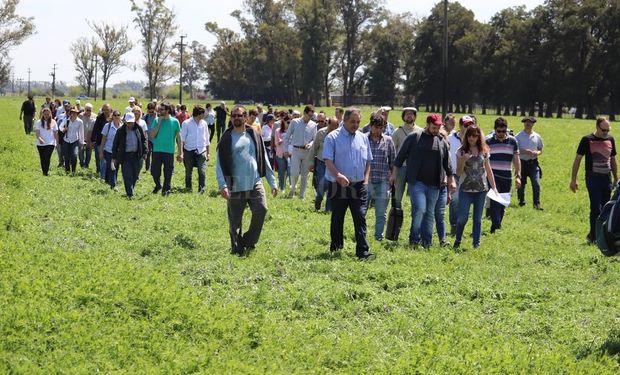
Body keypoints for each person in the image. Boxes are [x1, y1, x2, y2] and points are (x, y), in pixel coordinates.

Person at [216, 105, 278, 256]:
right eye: (234, 115)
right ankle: (237, 247)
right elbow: (219, 164)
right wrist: (223, 185)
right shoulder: (226, 138)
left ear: (246, 117)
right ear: (231, 118)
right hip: (235, 185)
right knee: (235, 222)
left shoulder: (254, 134)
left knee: (261, 209)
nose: (236, 118)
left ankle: (249, 241)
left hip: (255, 182)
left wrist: (272, 181)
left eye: (240, 115)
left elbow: (264, 157)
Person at [391, 113, 455, 249]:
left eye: (438, 127)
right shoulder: (414, 137)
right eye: (434, 127)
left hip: (434, 184)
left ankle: (427, 242)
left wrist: (451, 181)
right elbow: (400, 157)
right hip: (417, 182)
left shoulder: (441, 141)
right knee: (420, 208)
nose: (436, 130)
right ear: (427, 124)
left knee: (430, 213)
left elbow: (447, 164)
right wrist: (394, 174)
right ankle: (414, 239)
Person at [323, 107, 375, 260]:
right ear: (344, 120)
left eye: (358, 122)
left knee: (360, 217)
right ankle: (336, 247)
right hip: (338, 185)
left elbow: (368, 161)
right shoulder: (332, 137)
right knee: (338, 217)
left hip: (358, 185)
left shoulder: (363, 137)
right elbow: (327, 160)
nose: (355, 124)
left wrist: (365, 179)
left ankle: (363, 252)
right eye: (352, 121)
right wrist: (338, 175)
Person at [570, 117, 618, 244]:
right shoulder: (587, 140)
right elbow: (577, 160)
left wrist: (616, 178)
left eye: (608, 130)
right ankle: (594, 237)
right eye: (603, 130)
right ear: (597, 127)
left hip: (606, 178)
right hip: (593, 178)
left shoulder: (610, 140)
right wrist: (573, 180)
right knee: (596, 207)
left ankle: (603, 235)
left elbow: (613, 160)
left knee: (606, 208)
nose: (605, 133)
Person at [454, 126, 499, 249]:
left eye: (474, 135)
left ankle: (476, 244)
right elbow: (458, 173)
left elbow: (488, 171)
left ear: (479, 137)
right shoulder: (461, 151)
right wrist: (463, 160)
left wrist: (494, 187)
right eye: (469, 135)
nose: (471, 138)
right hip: (465, 190)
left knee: (477, 219)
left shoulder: (484, 151)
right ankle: (457, 240)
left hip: (481, 190)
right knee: (462, 218)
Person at [486, 117, 521, 233]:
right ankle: (496, 225)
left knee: (502, 203)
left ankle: (497, 223)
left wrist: (518, 175)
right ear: (494, 130)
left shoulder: (513, 141)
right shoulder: (488, 141)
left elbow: (516, 159)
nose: (501, 134)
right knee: (495, 201)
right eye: (499, 131)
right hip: (492, 176)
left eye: (503, 131)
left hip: (506, 176)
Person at [366, 113, 396, 241]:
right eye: (377, 127)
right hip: (365, 182)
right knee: (361, 211)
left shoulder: (388, 140)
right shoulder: (362, 139)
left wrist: (393, 176)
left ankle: (378, 236)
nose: (379, 130)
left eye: (382, 127)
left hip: (383, 181)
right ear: (371, 125)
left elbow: (394, 161)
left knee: (381, 212)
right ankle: (361, 234)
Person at [391, 107, 422, 209]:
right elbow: (392, 150)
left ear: (415, 116)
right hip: (401, 168)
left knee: (415, 195)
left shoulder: (421, 131)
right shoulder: (397, 132)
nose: (409, 116)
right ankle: (396, 217)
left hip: (416, 169)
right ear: (403, 116)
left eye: (411, 114)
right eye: (407, 114)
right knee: (398, 196)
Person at [447, 115, 473, 234]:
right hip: (454, 174)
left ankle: (461, 224)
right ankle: (454, 225)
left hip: (469, 175)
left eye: (470, 125)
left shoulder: (474, 139)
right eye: (466, 125)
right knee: (455, 200)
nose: (468, 127)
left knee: (466, 202)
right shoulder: (450, 138)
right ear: (460, 126)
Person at [284, 105, 317, 199]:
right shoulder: (295, 122)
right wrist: (286, 150)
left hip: (307, 152)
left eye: (312, 116)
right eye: (309, 115)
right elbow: (287, 137)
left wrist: (310, 144)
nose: (310, 117)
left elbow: (314, 139)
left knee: (304, 175)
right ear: (304, 113)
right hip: (296, 150)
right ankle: (292, 190)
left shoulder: (313, 125)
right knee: (294, 172)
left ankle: (302, 195)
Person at [150, 102, 183, 196]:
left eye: (162, 109)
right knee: (154, 172)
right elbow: (152, 135)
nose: (159, 111)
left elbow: (179, 138)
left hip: (169, 151)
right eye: (159, 109)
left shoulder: (175, 121)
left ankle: (166, 189)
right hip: (157, 150)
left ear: (168, 110)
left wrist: (180, 153)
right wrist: (159, 123)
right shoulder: (156, 120)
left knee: (168, 172)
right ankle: (158, 185)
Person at [112, 112, 148, 198]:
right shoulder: (121, 131)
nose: (130, 124)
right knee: (127, 175)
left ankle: (131, 188)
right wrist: (114, 157)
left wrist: (145, 152)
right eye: (128, 123)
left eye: (131, 122)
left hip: (137, 155)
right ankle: (129, 193)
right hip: (125, 156)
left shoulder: (138, 128)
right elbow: (115, 144)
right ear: (125, 122)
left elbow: (143, 140)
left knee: (135, 174)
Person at [515, 116, 544, 210]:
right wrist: (524, 151)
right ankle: (521, 202)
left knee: (536, 183)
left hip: (533, 164)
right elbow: (514, 150)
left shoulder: (537, 136)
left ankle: (537, 204)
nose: (528, 124)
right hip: (522, 163)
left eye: (530, 123)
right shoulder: (518, 136)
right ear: (524, 123)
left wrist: (537, 153)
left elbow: (541, 149)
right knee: (521, 184)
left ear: (533, 124)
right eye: (526, 122)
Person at [311, 116, 339, 211]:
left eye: (335, 128)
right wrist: (311, 162)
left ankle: (328, 209)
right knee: (322, 185)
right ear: (328, 124)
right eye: (331, 128)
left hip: (333, 164)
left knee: (331, 185)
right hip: (321, 163)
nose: (333, 130)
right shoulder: (321, 133)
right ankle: (318, 199)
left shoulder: (339, 135)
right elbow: (314, 148)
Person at [180, 105, 210, 193]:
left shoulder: (204, 123)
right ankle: (188, 188)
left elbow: (207, 138)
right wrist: (181, 153)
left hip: (202, 151)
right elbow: (182, 140)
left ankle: (201, 189)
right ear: (198, 114)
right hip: (189, 151)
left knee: (202, 171)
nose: (204, 115)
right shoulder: (186, 123)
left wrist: (208, 153)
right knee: (188, 171)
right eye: (203, 113)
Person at [100, 110, 123, 188]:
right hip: (109, 150)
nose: (117, 117)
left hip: (119, 152)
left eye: (118, 115)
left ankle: (108, 181)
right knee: (112, 167)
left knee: (115, 167)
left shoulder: (122, 127)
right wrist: (101, 151)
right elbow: (103, 140)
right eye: (115, 115)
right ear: (112, 116)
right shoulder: (108, 126)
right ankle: (113, 185)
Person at [59, 106, 84, 174]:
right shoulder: (66, 120)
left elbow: (81, 133)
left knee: (74, 155)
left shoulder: (80, 122)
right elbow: (60, 127)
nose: (73, 114)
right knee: (66, 156)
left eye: (75, 112)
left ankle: (73, 170)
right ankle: (67, 171)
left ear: (77, 113)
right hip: (66, 140)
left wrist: (82, 143)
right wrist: (64, 129)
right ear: (70, 113)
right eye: (72, 112)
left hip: (75, 140)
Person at [34, 108, 58, 176]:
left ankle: (46, 172)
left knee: (47, 157)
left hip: (50, 143)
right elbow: (37, 133)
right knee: (42, 158)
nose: (46, 116)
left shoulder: (53, 122)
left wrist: (57, 142)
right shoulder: (39, 122)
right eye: (45, 114)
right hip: (40, 144)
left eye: (48, 114)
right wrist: (40, 139)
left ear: (50, 114)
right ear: (42, 114)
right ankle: (44, 171)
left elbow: (56, 133)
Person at [91, 103, 112, 178]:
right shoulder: (99, 118)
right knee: (100, 158)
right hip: (100, 141)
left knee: (108, 159)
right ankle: (100, 172)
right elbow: (95, 129)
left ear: (110, 110)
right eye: (104, 110)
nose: (106, 111)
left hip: (110, 142)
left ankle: (107, 174)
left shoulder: (113, 117)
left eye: (107, 109)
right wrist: (93, 140)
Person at [274, 113, 290, 193]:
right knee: (281, 171)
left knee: (290, 171)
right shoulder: (278, 131)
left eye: (290, 122)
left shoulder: (292, 131)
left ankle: (291, 186)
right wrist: (279, 142)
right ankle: (282, 187)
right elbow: (275, 143)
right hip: (280, 154)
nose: (288, 123)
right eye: (287, 122)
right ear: (283, 122)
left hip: (290, 154)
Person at [80, 103, 96, 169]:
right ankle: (82, 164)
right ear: (84, 109)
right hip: (81, 138)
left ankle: (86, 165)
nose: (88, 111)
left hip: (90, 139)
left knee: (88, 153)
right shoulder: (80, 116)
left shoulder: (95, 116)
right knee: (80, 153)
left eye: (90, 110)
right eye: (87, 110)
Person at [143, 102, 158, 172]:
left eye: (152, 111)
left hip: (156, 138)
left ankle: (154, 168)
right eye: (149, 111)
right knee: (148, 153)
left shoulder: (158, 117)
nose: (151, 113)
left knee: (155, 154)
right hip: (148, 138)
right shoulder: (145, 117)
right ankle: (147, 168)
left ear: (155, 110)